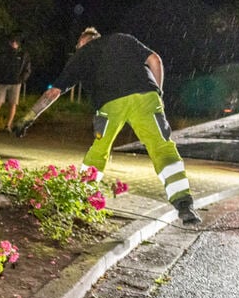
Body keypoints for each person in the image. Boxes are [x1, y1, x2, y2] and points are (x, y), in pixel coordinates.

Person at [12, 27, 202, 224]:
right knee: (162, 147)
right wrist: (158, 95)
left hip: (110, 104)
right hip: (146, 96)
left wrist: (28, 117)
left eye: (77, 45)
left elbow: (53, 92)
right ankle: (183, 203)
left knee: (99, 150)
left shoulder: (82, 55)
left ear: (83, 43)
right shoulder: (123, 38)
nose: (77, 48)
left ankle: (84, 197)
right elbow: (155, 60)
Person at [0, 34, 32, 132]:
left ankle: (8, 125)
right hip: (2, 82)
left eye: (16, 42)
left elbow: (27, 69)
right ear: (9, 42)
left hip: (16, 83)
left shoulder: (23, 54)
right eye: (12, 41)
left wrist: (21, 79)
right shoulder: (3, 53)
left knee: (13, 104)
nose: (14, 43)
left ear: (19, 44)